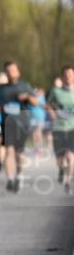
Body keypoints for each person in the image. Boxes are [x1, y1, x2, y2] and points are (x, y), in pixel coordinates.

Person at [0, 60, 38, 192]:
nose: (11, 73)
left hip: (22, 123)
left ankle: (19, 175)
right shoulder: (2, 89)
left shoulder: (25, 86)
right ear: (6, 73)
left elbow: (36, 102)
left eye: (13, 70)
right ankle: (10, 179)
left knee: (19, 153)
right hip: (7, 124)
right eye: (8, 71)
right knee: (9, 150)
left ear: (18, 72)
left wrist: (27, 97)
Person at [46, 66, 74, 194]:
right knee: (60, 158)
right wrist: (52, 113)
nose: (68, 76)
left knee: (70, 156)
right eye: (66, 74)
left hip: (72, 127)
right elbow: (47, 104)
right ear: (63, 77)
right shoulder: (56, 91)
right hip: (58, 127)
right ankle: (61, 169)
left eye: (70, 74)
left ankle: (68, 182)